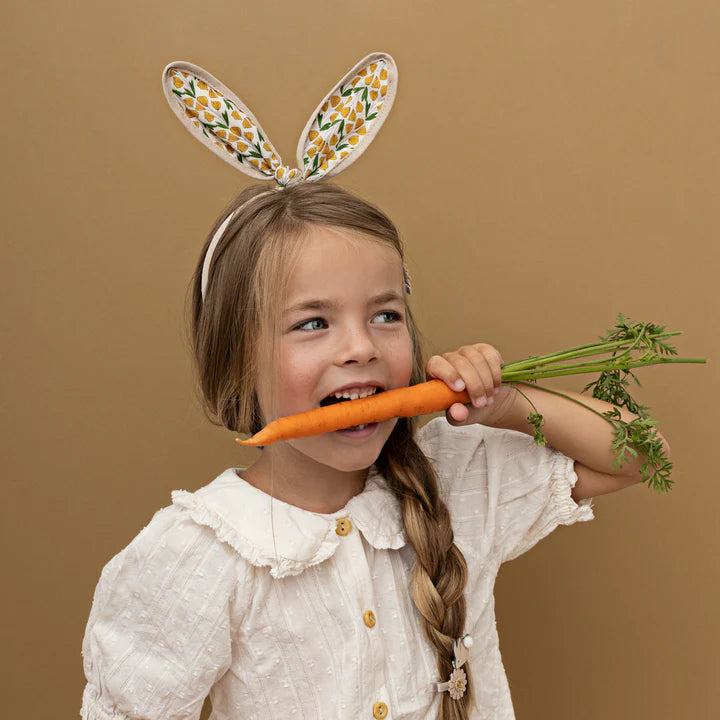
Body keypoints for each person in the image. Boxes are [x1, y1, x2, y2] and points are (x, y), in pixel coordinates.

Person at [80, 54, 667, 720]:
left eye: (385, 314)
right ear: (239, 360)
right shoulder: (202, 553)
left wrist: (505, 404)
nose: (360, 346)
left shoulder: (454, 474)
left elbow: (637, 453)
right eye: (313, 323)